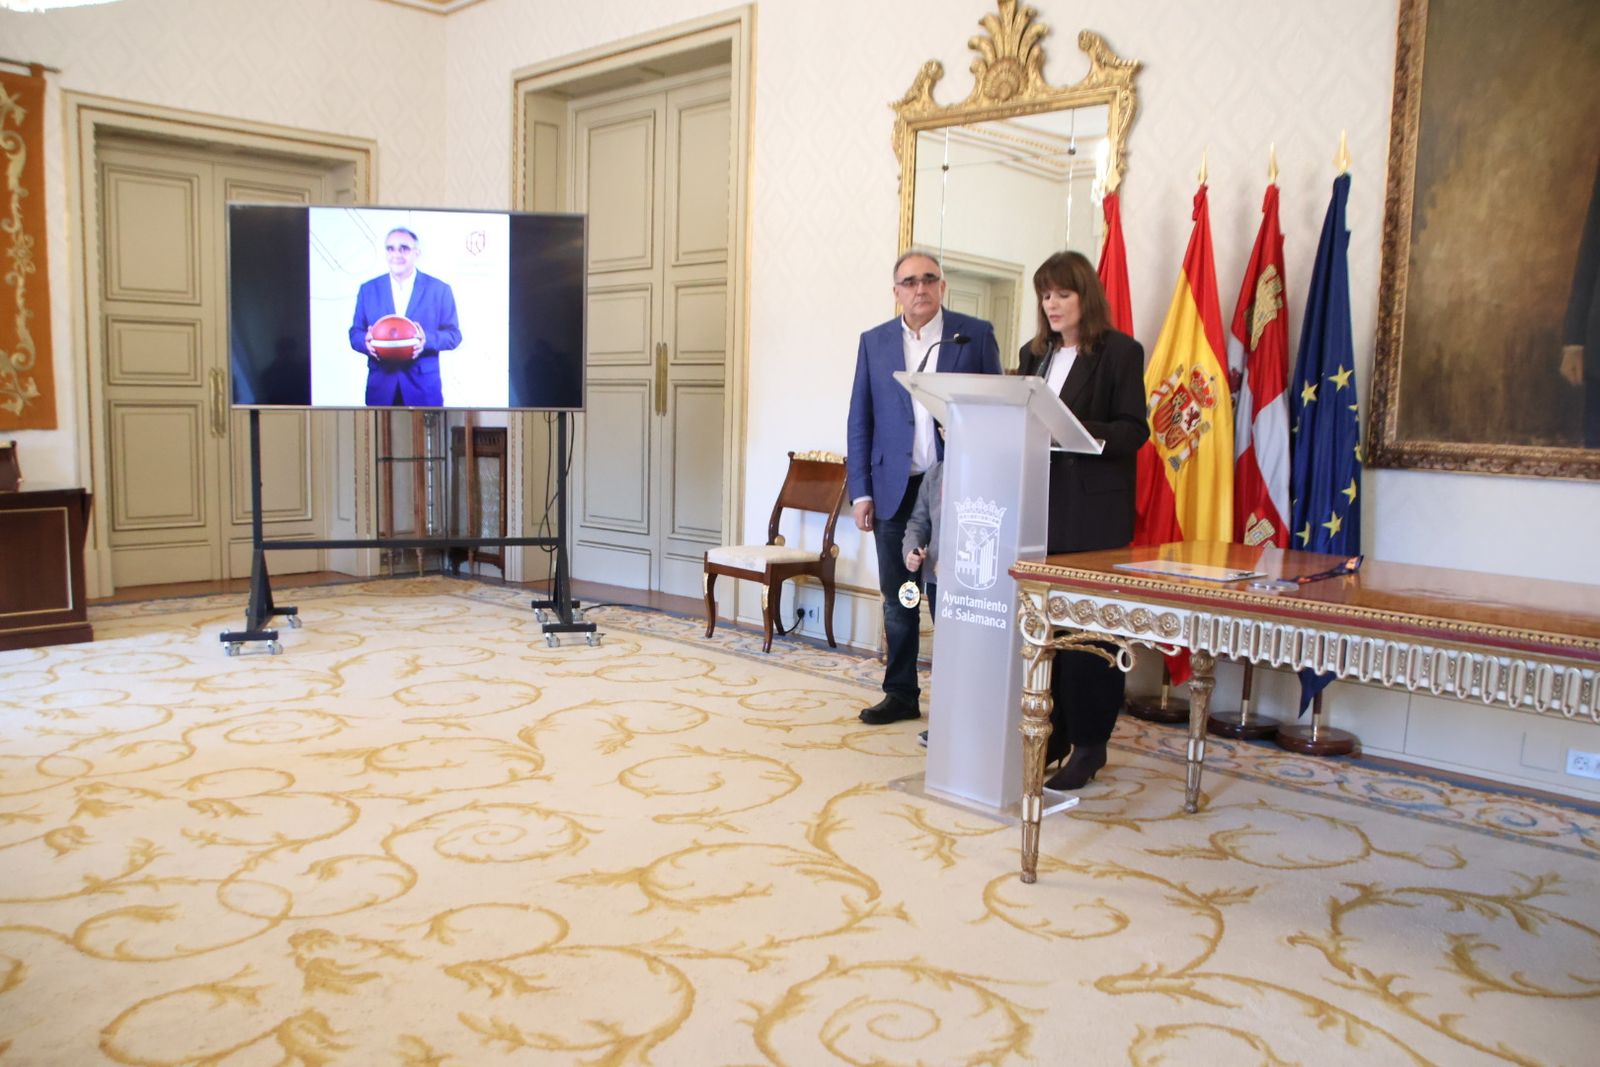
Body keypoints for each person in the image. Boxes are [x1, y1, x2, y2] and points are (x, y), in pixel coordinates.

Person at [847, 250, 1001, 724]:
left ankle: (957, 701)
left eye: (929, 279)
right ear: (896, 292)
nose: (920, 289)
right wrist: (862, 492)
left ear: (942, 286)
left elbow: (998, 409)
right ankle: (901, 693)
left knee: (951, 599)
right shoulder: (874, 342)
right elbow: (860, 420)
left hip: (955, 492)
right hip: (894, 490)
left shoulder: (973, 335)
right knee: (901, 597)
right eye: (910, 282)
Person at [1017, 250, 1149, 788]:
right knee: (1047, 633)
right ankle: (1055, 733)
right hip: (1039, 511)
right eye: (1045, 294)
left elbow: (1134, 429)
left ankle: (1091, 745)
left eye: (1062, 294)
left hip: (1093, 518)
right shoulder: (1034, 355)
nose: (1052, 304)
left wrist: (1075, 430)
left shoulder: (1120, 352)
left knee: (1089, 635)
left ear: (1085, 297)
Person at [348, 227, 462, 406]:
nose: (396, 254)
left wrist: (426, 340)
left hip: (423, 389)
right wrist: (365, 341)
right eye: (390, 248)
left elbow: (454, 335)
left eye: (404, 248)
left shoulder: (439, 289)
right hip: (381, 388)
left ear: (417, 253)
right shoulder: (368, 289)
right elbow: (355, 333)